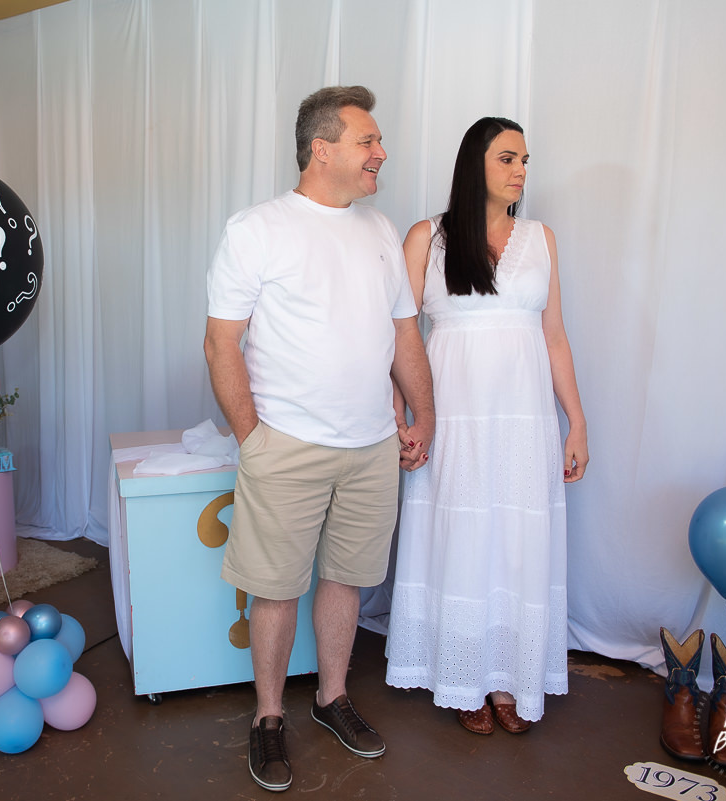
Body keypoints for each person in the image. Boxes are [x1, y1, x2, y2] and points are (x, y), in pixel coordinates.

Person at [204, 85, 435, 793]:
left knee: (347, 578)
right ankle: (269, 716)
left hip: (372, 446)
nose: (382, 152)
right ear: (322, 149)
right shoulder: (257, 229)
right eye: (369, 141)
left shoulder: (379, 230)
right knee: (275, 589)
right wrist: (254, 439)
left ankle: (332, 698)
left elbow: (404, 334)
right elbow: (221, 343)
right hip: (287, 444)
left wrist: (424, 416)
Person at [384, 117, 588, 735]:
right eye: (507, 158)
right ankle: (461, 675)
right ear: (474, 163)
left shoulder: (542, 239)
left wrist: (577, 422)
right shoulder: (427, 237)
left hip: (524, 419)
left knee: (516, 543)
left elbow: (555, 336)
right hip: (454, 415)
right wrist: (401, 416)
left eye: (525, 160)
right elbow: (398, 335)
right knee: (461, 536)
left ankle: (506, 677)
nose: (521, 170)